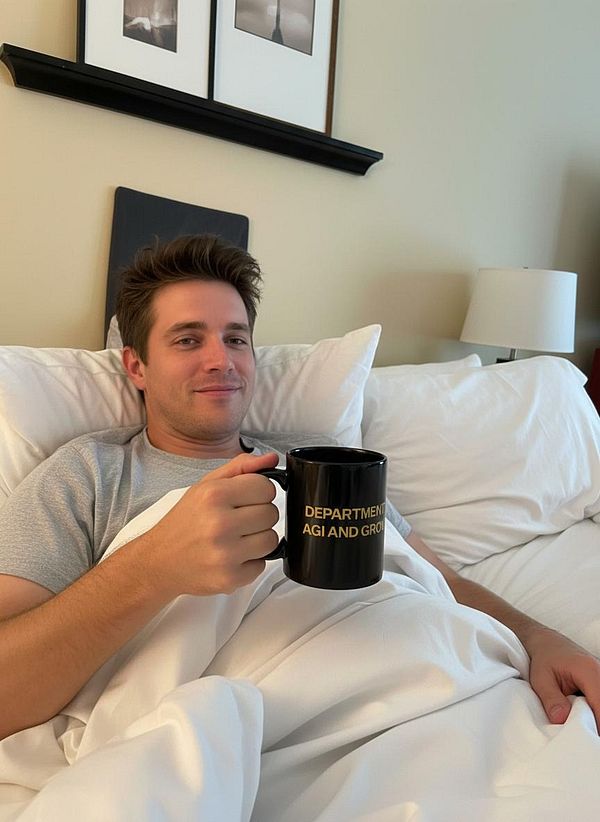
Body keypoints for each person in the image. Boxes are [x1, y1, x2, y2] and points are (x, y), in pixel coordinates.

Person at [0, 234, 599, 743]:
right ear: (135, 366)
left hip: (430, 691)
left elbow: (435, 577)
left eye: (236, 338)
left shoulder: (321, 469)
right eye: (188, 340)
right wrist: (151, 565)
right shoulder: (88, 474)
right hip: (243, 725)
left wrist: (540, 637)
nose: (221, 361)